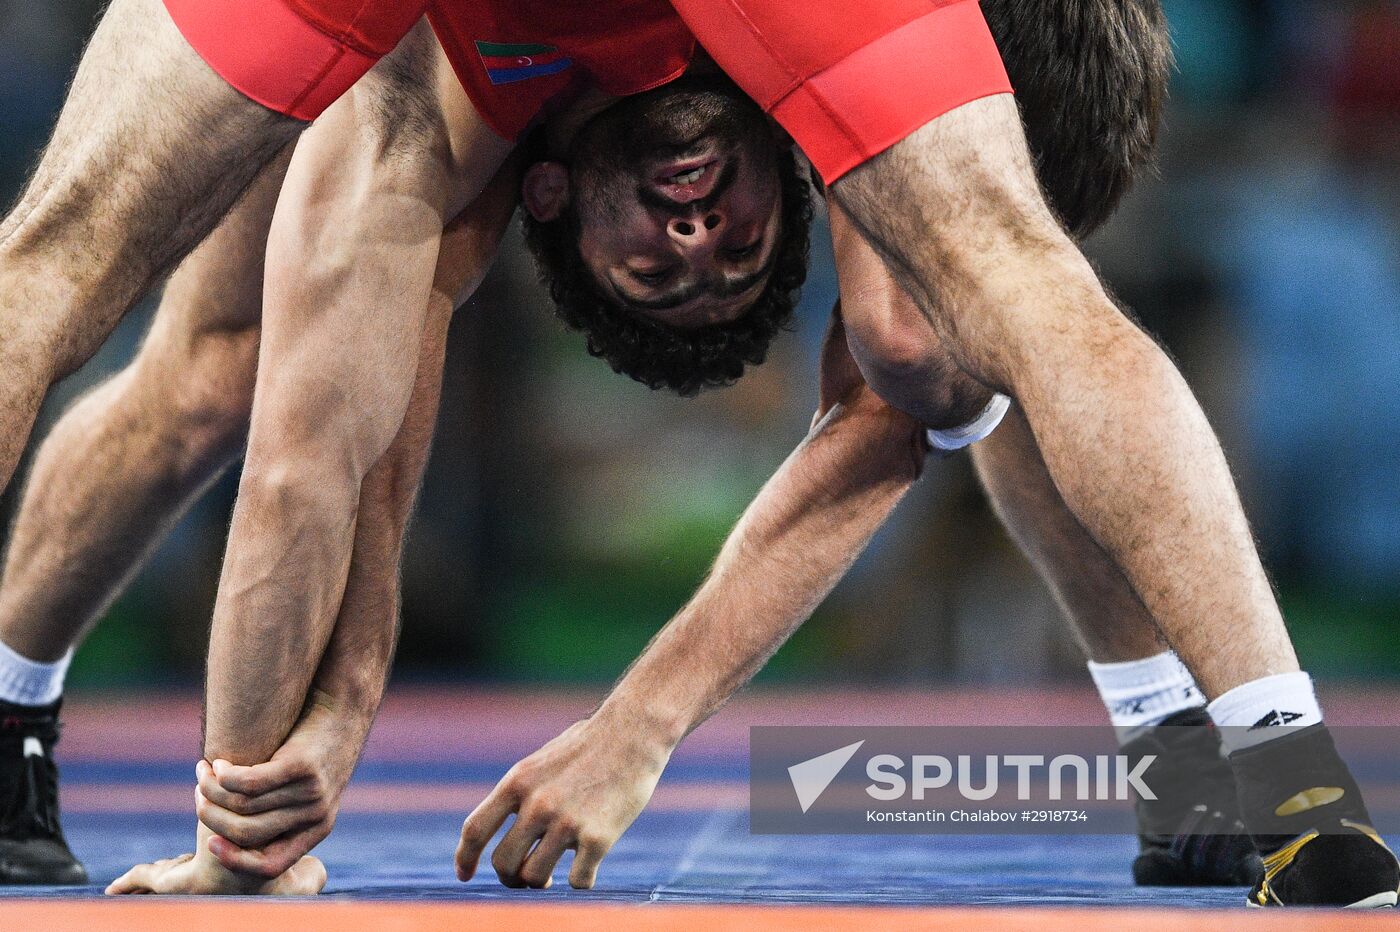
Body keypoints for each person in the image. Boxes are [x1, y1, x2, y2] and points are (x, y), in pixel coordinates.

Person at [0, 0, 1392, 909]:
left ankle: (1225, 756)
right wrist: (305, 765)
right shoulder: (475, 144)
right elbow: (333, 451)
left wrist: (258, 843)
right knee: (197, 363)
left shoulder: (459, 150)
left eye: (700, 261)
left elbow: (332, 449)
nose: (692, 234)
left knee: (953, 333)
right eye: (723, 253)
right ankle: (1254, 757)